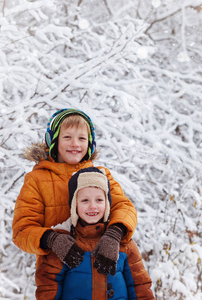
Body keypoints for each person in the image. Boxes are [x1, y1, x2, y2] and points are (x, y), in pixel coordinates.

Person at [12, 108, 138, 298]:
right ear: (53, 140)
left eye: (82, 138)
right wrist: (52, 239)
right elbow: (22, 230)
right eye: (67, 137)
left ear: (89, 143)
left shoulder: (100, 175)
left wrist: (114, 233)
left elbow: (124, 207)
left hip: (103, 271)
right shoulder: (36, 180)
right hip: (59, 276)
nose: (75, 144)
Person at [36, 167, 154, 299]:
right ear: (74, 205)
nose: (93, 206)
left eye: (99, 200)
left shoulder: (123, 243)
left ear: (107, 203)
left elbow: (140, 285)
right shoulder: (63, 244)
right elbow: (47, 286)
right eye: (85, 200)